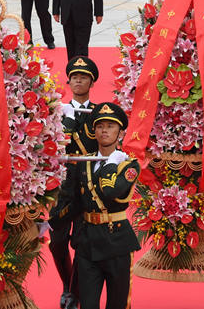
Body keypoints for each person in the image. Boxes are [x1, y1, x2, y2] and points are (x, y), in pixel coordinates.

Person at [69, 102, 140, 309]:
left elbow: (109, 191)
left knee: (116, 304)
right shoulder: (84, 161)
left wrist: (111, 163)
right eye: (100, 126)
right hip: (87, 242)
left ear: (120, 132)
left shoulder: (128, 164)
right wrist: (51, 223)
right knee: (88, 304)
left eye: (110, 126)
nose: (104, 130)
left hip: (116, 241)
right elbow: (73, 201)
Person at [48, 56, 100, 309]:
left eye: (84, 77)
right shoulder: (58, 112)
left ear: (92, 81)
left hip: (88, 183)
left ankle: (73, 292)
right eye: (74, 77)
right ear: (68, 81)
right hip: (64, 184)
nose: (78, 80)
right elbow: (55, 143)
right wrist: (67, 119)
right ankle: (68, 283)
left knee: (80, 241)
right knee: (57, 241)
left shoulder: (99, 113)